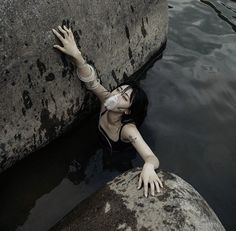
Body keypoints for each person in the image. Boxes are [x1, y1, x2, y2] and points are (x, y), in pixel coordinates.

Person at [52, 25, 163, 197]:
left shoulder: (128, 130)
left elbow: (151, 157)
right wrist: (77, 55)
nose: (116, 95)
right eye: (120, 90)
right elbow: (92, 82)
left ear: (127, 111)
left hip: (120, 155)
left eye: (124, 98)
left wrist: (148, 167)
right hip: (100, 142)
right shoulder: (107, 101)